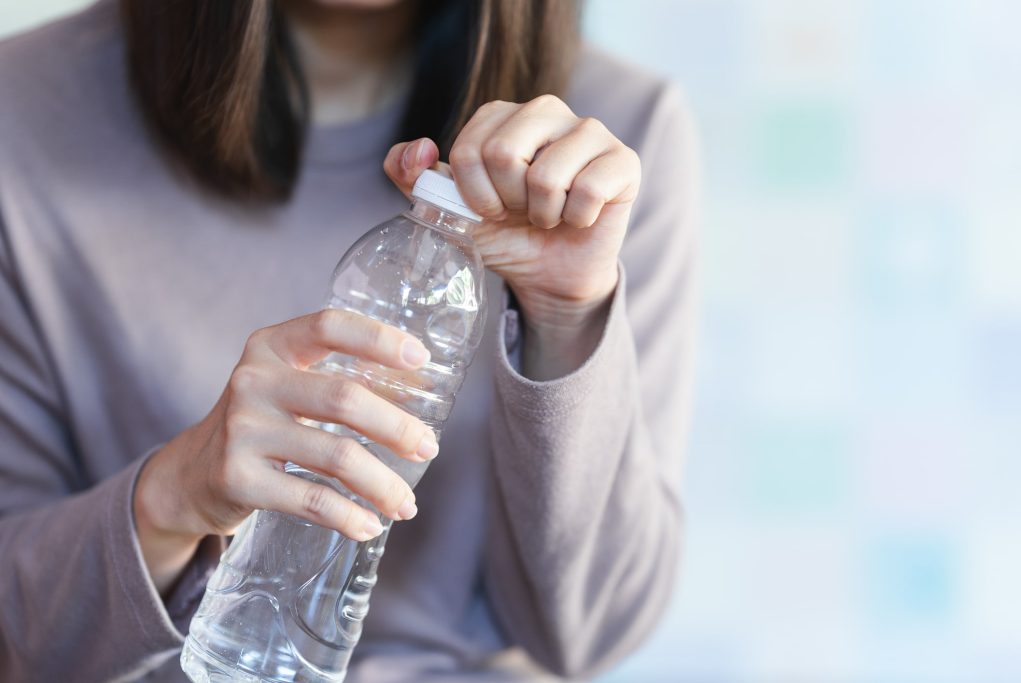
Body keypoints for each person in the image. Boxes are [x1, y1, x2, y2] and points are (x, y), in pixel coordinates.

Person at [0, 0, 697, 680]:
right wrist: (170, 498)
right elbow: (18, 641)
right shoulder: (23, 113)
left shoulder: (601, 152)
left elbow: (592, 634)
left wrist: (567, 314)